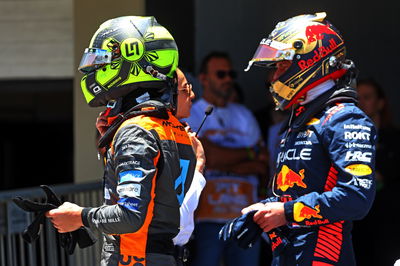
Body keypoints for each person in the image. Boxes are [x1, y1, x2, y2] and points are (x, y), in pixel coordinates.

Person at [45, 16, 206, 266]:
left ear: (132, 57)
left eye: (101, 60)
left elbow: (130, 216)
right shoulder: (173, 128)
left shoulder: (137, 131)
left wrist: (79, 216)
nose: (93, 69)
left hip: (135, 258)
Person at [241, 12, 377, 265]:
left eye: (281, 65)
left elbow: (356, 199)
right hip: (289, 253)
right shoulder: (301, 120)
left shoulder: (345, 119)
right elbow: (298, 190)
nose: (273, 77)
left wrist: (286, 213)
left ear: (308, 61)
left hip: (324, 254)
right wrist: (264, 210)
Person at [184, 51, 268, 266]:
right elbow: (207, 157)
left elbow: (262, 163)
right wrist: (248, 154)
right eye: (221, 74)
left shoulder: (245, 115)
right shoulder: (191, 112)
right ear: (204, 78)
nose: (228, 79)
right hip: (204, 218)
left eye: (231, 74)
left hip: (246, 217)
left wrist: (223, 157)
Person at [352, 78, 400, 265]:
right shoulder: (341, 139)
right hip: (357, 222)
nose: (361, 102)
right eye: (357, 98)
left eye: (367, 97)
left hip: (390, 222)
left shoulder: (395, 140)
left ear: (380, 103)